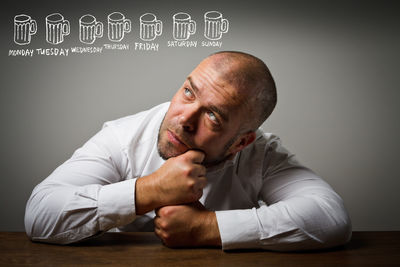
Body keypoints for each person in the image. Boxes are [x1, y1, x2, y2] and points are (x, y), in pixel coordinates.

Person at [24, 51, 351, 251]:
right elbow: (40, 216)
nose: (183, 120)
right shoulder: (123, 138)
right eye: (188, 92)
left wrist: (206, 228)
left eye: (213, 115)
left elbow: (330, 219)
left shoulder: (261, 154)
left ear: (241, 142)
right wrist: (148, 190)